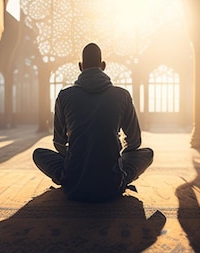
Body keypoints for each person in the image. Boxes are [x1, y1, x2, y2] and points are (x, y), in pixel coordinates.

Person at [32, 43, 154, 202]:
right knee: (147, 153)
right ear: (103, 66)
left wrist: (79, 154)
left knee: (39, 154)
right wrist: (115, 156)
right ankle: (119, 175)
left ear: (80, 66)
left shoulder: (64, 96)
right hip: (112, 185)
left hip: (73, 184)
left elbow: (59, 143)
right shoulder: (122, 95)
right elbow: (135, 141)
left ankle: (67, 176)